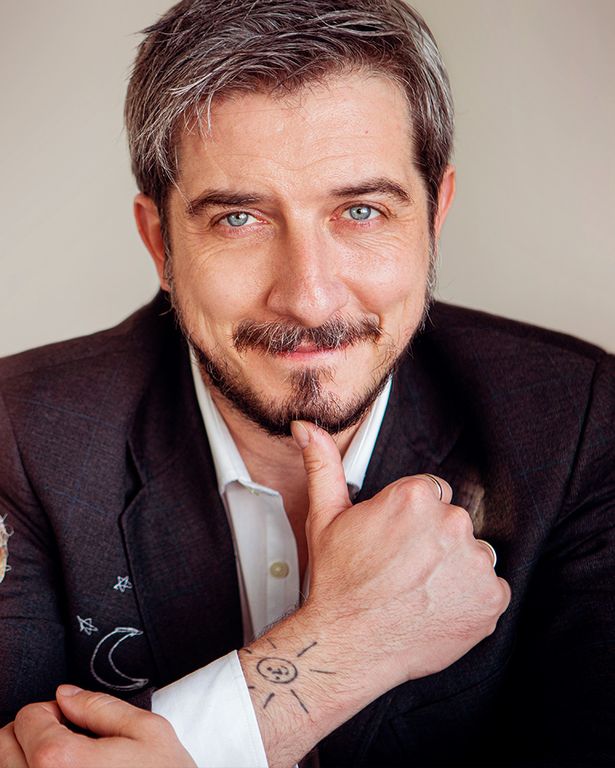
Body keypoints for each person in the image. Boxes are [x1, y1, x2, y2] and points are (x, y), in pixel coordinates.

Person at [0, 1, 613, 766]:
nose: (309, 298)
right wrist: (346, 648)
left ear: (434, 217)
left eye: (361, 211)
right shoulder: (20, 433)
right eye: (238, 219)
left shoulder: (580, 422)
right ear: (160, 242)